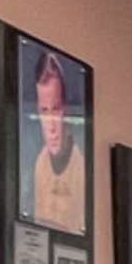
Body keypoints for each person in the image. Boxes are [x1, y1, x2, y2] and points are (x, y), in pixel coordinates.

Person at [24, 50, 85, 234]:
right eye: (44, 111)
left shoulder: (82, 164)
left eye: (56, 109)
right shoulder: (40, 164)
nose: (51, 125)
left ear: (66, 109)